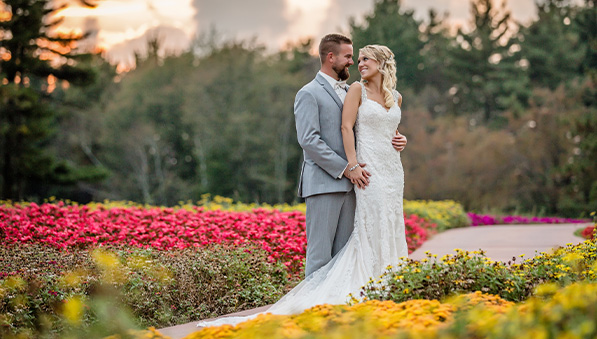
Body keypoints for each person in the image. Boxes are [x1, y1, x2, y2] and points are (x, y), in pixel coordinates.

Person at [198, 38, 408, 328]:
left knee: (348, 255)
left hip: (359, 184)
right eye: (349, 57)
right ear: (330, 57)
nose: (353, 63)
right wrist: (348, 167)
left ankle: (343, 312)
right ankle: (311, 318)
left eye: (358, 58)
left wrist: (399, 139)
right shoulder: (308, 93)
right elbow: (309, 141)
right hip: (326, 182)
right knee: (321, 255)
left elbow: (374, 130)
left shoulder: (353, 91)